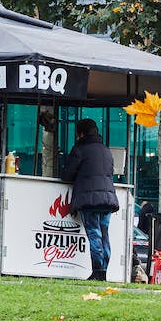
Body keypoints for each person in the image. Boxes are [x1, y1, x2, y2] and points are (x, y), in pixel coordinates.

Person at [60, 118, 120, 281]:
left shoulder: (80, 149)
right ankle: (104, 272)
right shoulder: (106, 150)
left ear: (81, 133)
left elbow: (67, 175)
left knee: (94, 234)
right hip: (107, 199)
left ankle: (97, 272)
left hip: (89, 200)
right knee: (104, 235)